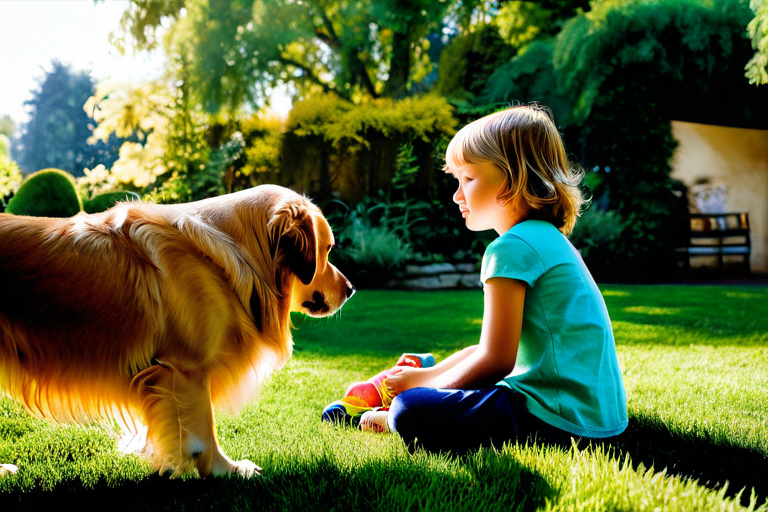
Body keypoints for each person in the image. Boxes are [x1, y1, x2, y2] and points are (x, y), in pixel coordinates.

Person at [363, 104, 627, 452]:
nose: (457, 194)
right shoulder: (548, 240)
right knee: (436, 389)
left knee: (409, 409)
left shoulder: (511, 248)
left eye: (468, 179)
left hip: (555, 418)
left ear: (511, 179)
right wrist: (426, 377)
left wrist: (429, 391)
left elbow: (496, 362)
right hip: (601, 417)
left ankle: (399, 416)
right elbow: (492, 351)